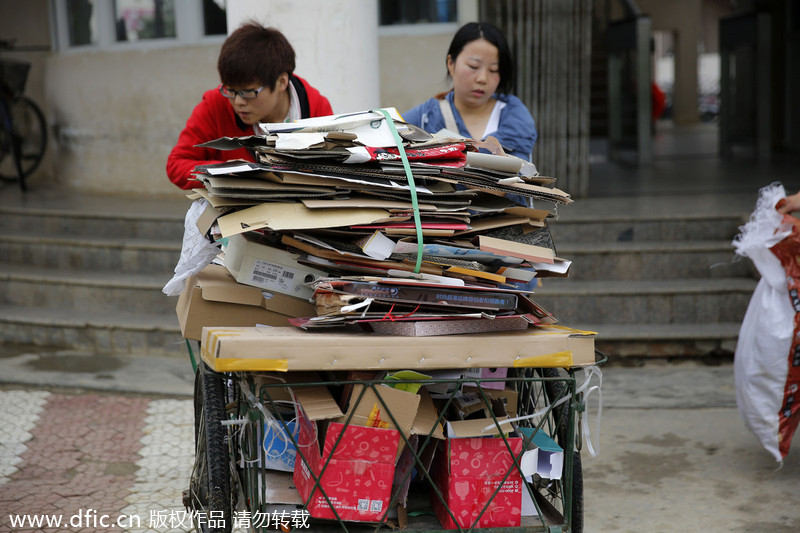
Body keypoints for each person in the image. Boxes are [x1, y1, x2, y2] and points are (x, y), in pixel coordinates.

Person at [167, 22, 333, 190]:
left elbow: (337, 170)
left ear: (281, 82)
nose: (238, 102)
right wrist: (221, 172)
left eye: (248, 92)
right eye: (231, 90)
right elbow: (176, 164)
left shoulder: (317, 109)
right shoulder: (215, 104)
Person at [401, 21, 537, 160]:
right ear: (451, 63)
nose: (482, 78)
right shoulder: (425, 117)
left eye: (493, 70)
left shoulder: (516, 118)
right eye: (473, 66)